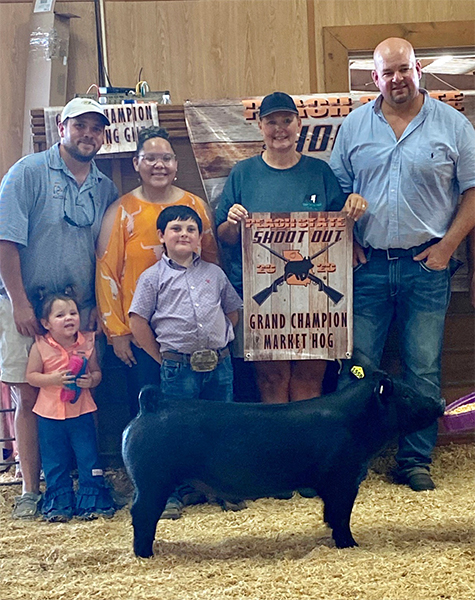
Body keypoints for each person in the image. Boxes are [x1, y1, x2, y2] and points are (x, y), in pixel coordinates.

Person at [329, 38, 475, 491]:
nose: (397, 79)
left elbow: (473, 191)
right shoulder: (354, 126)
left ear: (418, 70)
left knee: (423, 368)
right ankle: (349, 458)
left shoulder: (453, 124)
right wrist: (347, 240)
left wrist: (448, 247)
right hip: (368, 266)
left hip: (427, 266)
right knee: (357, 367)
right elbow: (335, 192)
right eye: (387, 72)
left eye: (404, 69)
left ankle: (415, 460)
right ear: (374, 78)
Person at [0, 97, 118, 518]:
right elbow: (5, 240)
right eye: (80, 125)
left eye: (96, 128)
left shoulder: (105, 187)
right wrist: (19, 302)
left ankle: (88, 486)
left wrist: (96, 305)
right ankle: (32, 490)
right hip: (27, 306)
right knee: (29, 392)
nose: (88, 134)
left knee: (82, 391)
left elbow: (104, 253)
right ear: (61, 128)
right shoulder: (27, 172)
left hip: (77, 312)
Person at [215, 91, 367, 403]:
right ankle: (280, 437)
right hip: (259, 294)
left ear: (299, 125)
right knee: (271, 379)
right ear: (260, 126)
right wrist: (233, 223)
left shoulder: (319, 172)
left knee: (310, 379)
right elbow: (225, 237)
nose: (280, 128)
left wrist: (352, 206)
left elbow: (341, 229)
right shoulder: (243, 173)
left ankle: (306, 437)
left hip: (317, 297)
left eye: (287, 120)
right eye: (272, 122)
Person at [96, 126, 219, 415]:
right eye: (150, 158)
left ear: (176, 164)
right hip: (140, 335)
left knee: (195, 414)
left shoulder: (195, 206)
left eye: (166, 158)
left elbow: (213, 268)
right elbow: (106, 273)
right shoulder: (120, 211)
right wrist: (117, 332)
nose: (159, 165)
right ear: (136, 163)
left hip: (190, 336)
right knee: (148, 414)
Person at [129, 205, 242, 519]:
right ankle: (172, 493)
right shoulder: (152, 278)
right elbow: (138, 321)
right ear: (161, 236)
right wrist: (162, 357)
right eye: (176, 228)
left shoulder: (214, 274)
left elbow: (232, 310)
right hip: (178, 367)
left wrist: (221, 339)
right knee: (175, 431)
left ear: (200, 238)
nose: (184, 234)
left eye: (191, 229)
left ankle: (221, 487)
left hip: (219, 365)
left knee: (222, 426)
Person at [26, 293, 116, 522]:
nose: (69, 318)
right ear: (46, 323)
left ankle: (93, 501)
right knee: (54, 459)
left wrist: (91, 380)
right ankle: (59, 503)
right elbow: (31, 376)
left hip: (81, 412)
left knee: (88, 455)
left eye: (73, 313)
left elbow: (96, 372)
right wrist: (53, 379)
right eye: (60, 315)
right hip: (49, 414)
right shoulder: (40, 346)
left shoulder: (88, 342)